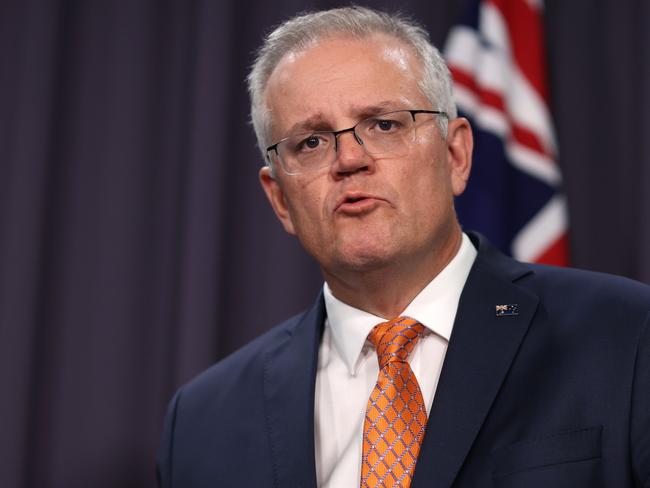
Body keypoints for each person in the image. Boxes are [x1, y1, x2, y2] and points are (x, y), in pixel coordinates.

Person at [157, 6, 650, 487]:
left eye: (385, 125)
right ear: (280, 199)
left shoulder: (625, 335)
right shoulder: (202, 423)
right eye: (310, 142)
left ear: (455, 155)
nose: (349, 159)